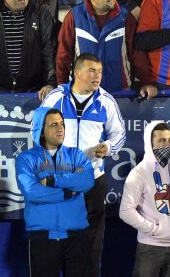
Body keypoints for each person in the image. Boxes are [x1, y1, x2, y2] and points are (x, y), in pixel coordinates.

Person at [41, 52, 127, 273]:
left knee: (91, 244)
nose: (97, 76)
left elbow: (119, 134)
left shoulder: (106, 101)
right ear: (76, 72)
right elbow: (37, 133)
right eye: (91, 71)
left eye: (99, 72)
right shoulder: (55, 98)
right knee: (56, 240)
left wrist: (107, 147)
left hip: (92, 180)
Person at [15, 106, 94, 277]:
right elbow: (31, 192)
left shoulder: (76, 155)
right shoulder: (26, 159)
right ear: (40, 131)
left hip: (76, 237)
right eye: (53, 125)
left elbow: (87, 181)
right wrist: (67, 192)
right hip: (43, 238)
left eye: (62, 124)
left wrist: (52, 180)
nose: (60, 129)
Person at [121, 120, 170, 277]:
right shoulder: (138, 173)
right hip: (150, 248)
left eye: (169, 140)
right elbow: (126, 211)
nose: (167, 145)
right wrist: (153, 229)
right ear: (150, 143)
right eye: (161, 140)